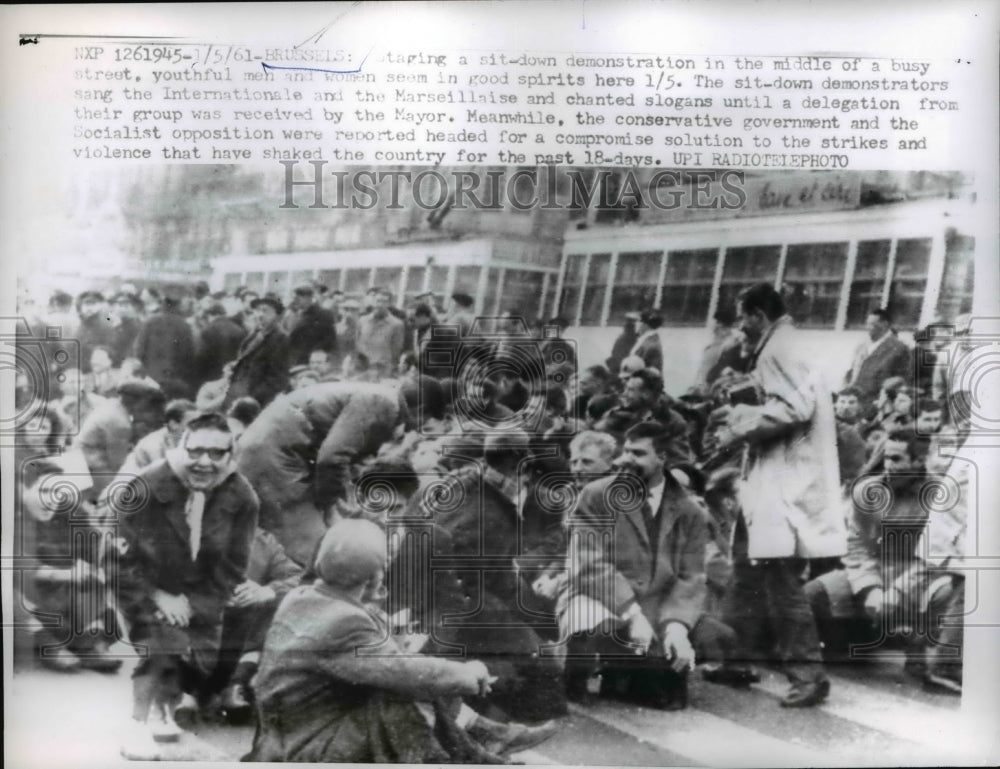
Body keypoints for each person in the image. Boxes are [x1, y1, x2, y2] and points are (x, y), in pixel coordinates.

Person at [710, 283, 846, 707]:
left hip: (784, 486)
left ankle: (807, 675)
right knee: (745, 568)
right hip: (775, 480)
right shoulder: (784, 343)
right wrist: (745, 390)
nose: (740, 327)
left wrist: (738, 421)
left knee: (780, 579)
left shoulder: (779, 348)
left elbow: (792, 408)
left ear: (756, 315)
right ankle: (735, 659)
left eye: (742, 317)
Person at [116, 413, 258, 757]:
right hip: (144, 589)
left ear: (230, 455)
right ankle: (136, 723)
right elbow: (118, 561)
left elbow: (233, 566)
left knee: (203, 663)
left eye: (216, 453)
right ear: (181, 446)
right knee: (164, 641)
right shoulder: (144, 489)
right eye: (195, 451)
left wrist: (195, 605)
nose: (204, 462)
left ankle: (166, 703)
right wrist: (158, 595)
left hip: (201, 597)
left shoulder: (242, 497)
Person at [560, 421, 706, 710]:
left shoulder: (690, 510)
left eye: (638, 453)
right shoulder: (596, 495)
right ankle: (582, 671)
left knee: (676, 689)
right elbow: (589, 564)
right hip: (600, 598)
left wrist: (676, 626)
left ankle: (626, 671)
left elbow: (692, 576)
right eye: (625, 450)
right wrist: (632, 612)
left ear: (662, 457)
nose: (625, 459)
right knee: (593, 627)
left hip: (657, 606)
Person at [426, 431, 569, 722]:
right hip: (457, 612)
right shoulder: (486, 512)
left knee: (536, 648)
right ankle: (491, 725)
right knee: (540, 666)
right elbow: (465, 586)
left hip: (458, 602)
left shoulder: (468, 489)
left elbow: (498, 574)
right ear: (520, 469)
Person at [235, 380, 407, 565]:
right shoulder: (385, 402)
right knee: (316, 548)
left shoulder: (373, 393)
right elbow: (332, 458)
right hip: (274, 456)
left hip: (270, 449)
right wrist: (329, 507)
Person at [805, 430, 931, 668]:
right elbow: (856, 545)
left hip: (918, 577)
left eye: (897, 459)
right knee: (812, 596)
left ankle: (916, 645)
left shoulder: (937, 496)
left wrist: (898, 592)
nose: (888, 465)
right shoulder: (867, 491)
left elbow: (933, 558)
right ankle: (870, 636)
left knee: (944, 593)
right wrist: (870, 588)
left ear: (918, 461)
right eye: (886, 457)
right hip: (874, 569)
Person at [206, 527, 303, 722]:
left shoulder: (262, 541)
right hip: (197, 638)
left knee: (278, 606)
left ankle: (237, 684)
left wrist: (268, 591)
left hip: (242, 642)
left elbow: (300, 578)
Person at [224, 294, 290, 411]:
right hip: (237, 392)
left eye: (265, 311)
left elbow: (278, 379)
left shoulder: (281, 338)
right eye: (258, 310)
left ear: (277, 315)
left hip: (254, 401)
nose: (260, 314)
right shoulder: (254, 334)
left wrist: (252, 399)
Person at [843, 308, 912, 408]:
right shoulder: (862, 346)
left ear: (884, 324)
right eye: (867, 324)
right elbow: (853, 370)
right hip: (855, 401)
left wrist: (888, 387)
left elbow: (905, 377)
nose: (868, 327)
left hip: (877, 403)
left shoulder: (899, 348)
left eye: (872, 324)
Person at [132, 291, 197, 393]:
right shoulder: (184, 325)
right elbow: (189, 353)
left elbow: (139, 349)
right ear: (178, 305)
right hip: (174, 376)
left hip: (151, 374)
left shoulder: (150, 322)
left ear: (163, 304)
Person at [117, 398, 200, 476]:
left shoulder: (192, 442)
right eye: (192, 424)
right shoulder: (151, 446)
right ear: (173, 424)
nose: (198, 428)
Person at [195, 302, 246, 386]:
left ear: (211, 315)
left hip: (211, 377)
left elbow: (201, 355)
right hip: (232, 375)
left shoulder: (207, 330)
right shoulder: (239, 330)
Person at [356, 290, 405, 373]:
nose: (380, 305)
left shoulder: (397, 324)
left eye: (384, 302)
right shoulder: (362, 320)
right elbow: (357, 342)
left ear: (389, 304)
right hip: (362, 367)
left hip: (382, 369)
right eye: (377, 301)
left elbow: (396, 350)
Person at [286, 284, 337, 365]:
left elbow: (330, 340)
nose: (295, 301)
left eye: (297, 298)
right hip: (295, 361)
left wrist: (317, 355)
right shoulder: (296, 315)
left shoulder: (323, 314)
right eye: (294, 299)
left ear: (308, 298)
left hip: (313, 362)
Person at [76, 291, 117, 373]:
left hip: (98, 370)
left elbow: (113, 349)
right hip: (81, 370)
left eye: (92, 304)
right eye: (86, 304)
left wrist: (96, 349)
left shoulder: (106, 325)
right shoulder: (80, 325)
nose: (89, 308)